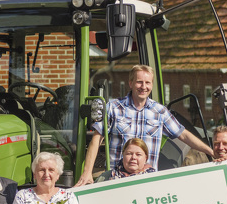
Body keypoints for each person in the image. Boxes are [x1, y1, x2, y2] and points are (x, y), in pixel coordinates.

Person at [75, 64, 213, 186]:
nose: (144, 87)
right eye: (139, 82)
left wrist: (211, 152)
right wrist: (87, 173)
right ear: (130, 83)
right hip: (116, 180)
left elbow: (183, 135)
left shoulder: (160, 111)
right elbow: (96, 140)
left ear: (152, 85)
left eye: (148, 83)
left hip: (147, 181)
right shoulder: (114, 107)